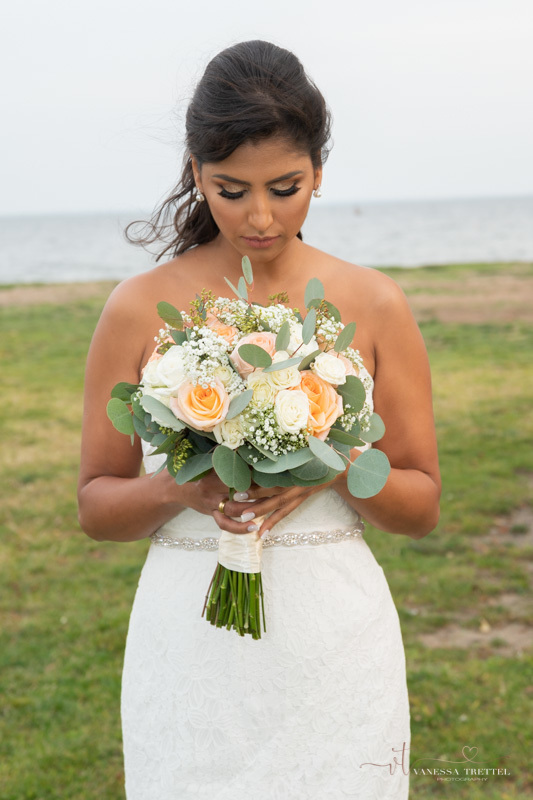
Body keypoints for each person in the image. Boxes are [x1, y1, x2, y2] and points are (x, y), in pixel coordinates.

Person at [78, 40, 440, 800]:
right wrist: (185, 489)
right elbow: (97, 508)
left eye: (286, 186)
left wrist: (327, 461)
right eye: (230, 189)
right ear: (195, 172)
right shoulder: (138, 307)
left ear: (318, 170)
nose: (261, 216)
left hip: (333, 642)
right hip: (190, 645)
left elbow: (420, 508)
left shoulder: (374, 303)